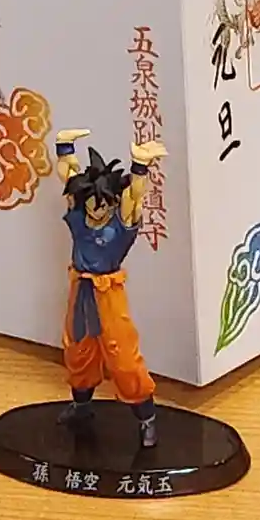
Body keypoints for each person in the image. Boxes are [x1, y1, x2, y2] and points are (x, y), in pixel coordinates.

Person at [54, 129, 167, 446]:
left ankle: (146, 418)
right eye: (92, 204)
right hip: (81, 288)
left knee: (123, 356)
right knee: (78, 350)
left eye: (103, 205)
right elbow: (69, 177)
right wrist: (64, 146)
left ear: (112, 203)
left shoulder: (120, 223)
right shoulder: (79, 214)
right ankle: (81, 407)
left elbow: (135, 196)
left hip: (108, 293)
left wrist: (139, 166)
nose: (96, 210)